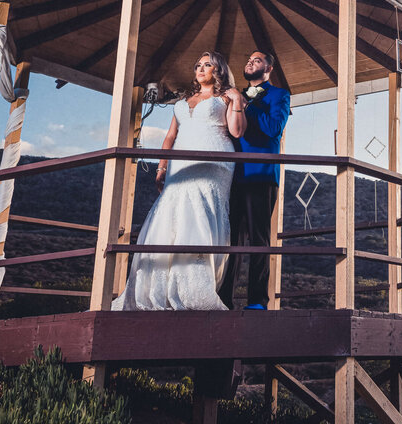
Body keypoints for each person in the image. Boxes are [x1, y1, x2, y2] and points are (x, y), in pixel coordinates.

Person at [112, 51, 245, 311]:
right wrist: (162, 166)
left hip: (214, 158)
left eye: (207, 65)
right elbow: (170, 136)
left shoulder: (226, 96)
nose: (201, 68)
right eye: (198, 65)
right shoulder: (185, 99)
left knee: (200, 210)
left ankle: (196, 285)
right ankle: (158, 285)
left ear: (217, 69)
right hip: (180, 160)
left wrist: (238, 99)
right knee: (171, 211)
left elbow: (237, 131)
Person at [219, 51, 290, 310]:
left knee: (259, 240)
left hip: (261, 174)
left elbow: (274, 129)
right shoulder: (233, 95)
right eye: (248, 59)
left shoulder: (280, 95)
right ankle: (223, 297)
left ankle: (257, 300)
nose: (250, 61)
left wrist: (246, 105)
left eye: (257, 60)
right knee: (230, 239)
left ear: (269, 67)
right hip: (232, 176)